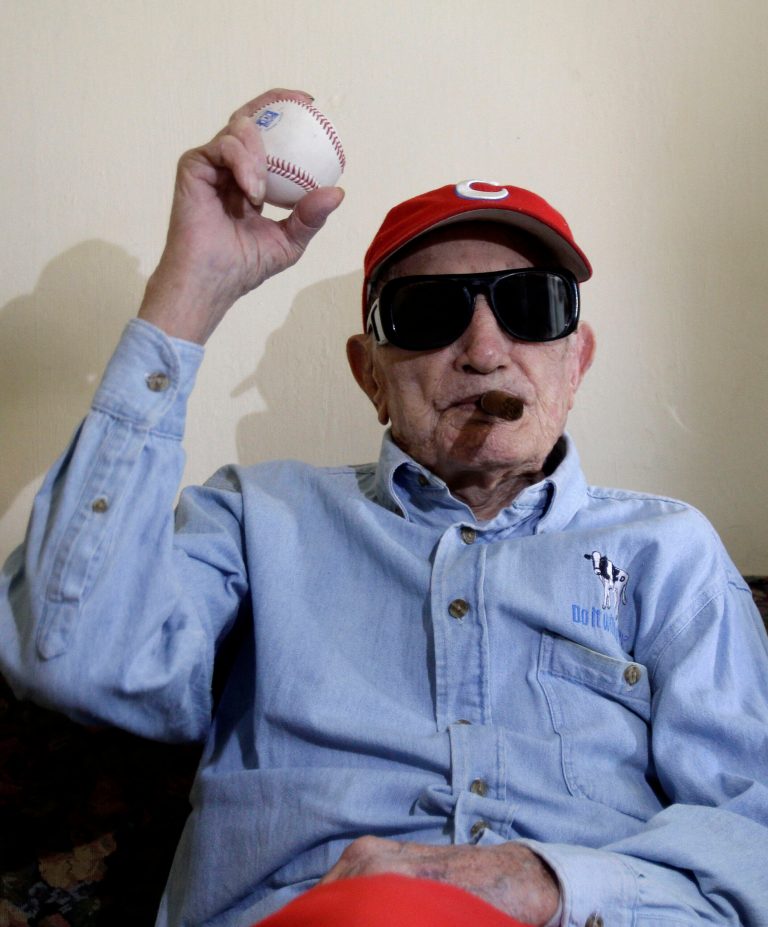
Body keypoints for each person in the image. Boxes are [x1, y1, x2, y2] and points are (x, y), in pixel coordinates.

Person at [1, 87, 767, 927]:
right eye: (430, 314)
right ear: (369, 373)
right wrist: (189, 292)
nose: (483, 350)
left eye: (529, 305)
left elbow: (750, 837)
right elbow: (65, 654)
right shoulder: (260, 518)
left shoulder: (668, 551)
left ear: (575, 359)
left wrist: (542, 882)